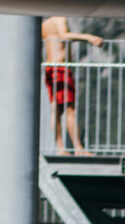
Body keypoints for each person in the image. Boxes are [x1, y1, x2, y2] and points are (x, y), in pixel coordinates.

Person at [41, 17, 104, 156]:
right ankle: (78, 148)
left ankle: (60, 147)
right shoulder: (60, 18)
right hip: (61, 68)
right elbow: (64, 35)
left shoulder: (45, 23)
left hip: (50, 67)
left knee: (56, 110)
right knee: (70, 110)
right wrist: (89, 38)